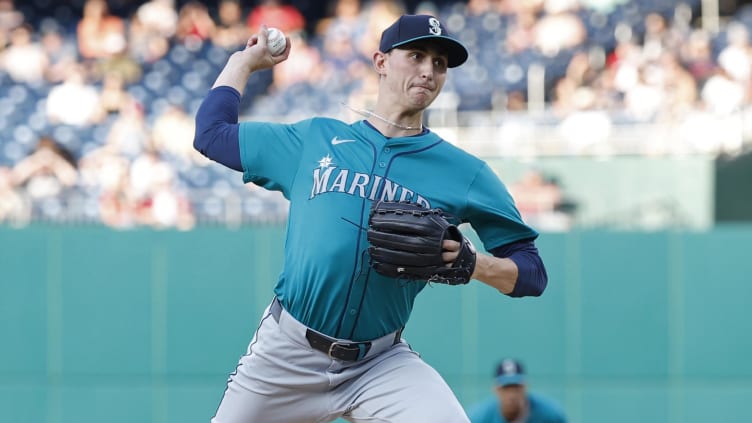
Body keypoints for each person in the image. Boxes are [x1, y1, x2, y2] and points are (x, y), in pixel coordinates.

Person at [193, 14, 548, 423]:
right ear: (381, 62)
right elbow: (211, 134)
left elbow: (532, 272)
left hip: (381, 363)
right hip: (286, 355)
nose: (428, 70)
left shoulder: (465, 173)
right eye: (416, 55)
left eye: (439, 63)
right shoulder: (314, 140)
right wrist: (243, 63)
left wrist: (475, 264)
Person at [466, 358, 567, 423]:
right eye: (506, 388)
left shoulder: (550, 414)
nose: (511, 394)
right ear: (496, 389)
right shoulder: (480, 418)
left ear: (525, 387)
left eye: (516, 387)